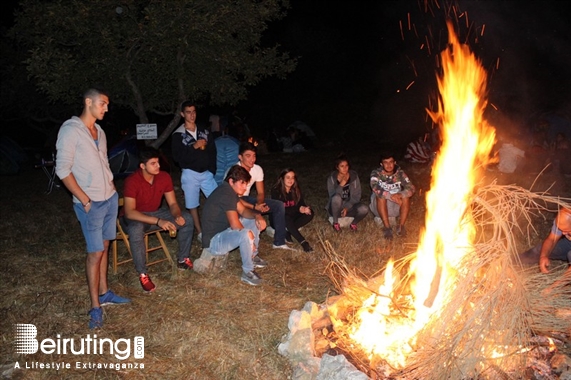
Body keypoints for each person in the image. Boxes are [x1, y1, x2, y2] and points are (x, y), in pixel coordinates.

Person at [55, 88, 130, 329]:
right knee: (94, 252)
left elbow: (102, 163)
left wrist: (111, 187)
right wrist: (84, 199)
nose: (106, 109)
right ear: (88, 102)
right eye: (103, 104)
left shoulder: (100, 131)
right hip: (90, 203)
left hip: (109, 197)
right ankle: (95, 306)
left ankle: (105, 292)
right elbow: (62, 169)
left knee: (106, 246)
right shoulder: (70, 130)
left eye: (107, 105)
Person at [121, 147, 194, 292]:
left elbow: (173, 204)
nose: (158, 166)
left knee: (187, 218)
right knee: (136, 229)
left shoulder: (164, 177)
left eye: (158, 162)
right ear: (142, 166)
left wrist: (177, 215)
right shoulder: (132, 181)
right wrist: (158, 221)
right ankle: (143, 273)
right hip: (136, 217)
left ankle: (182, 259)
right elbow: (129, 212)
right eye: (153, 163)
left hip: (155, 212)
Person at [201, 165, 269, 286]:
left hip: (224, 231)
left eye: (246, 184)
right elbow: (235, 225)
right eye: (242, 183)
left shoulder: (228, 191)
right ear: (231, 181)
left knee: (252, 220)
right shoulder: (225, 193)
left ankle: (252, 256)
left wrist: (257, 216)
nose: (245, 187)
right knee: (244, 234)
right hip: (214, 241)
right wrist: (251, 241)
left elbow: (243, 211)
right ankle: (248, 272)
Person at [172, 100, 218, 242]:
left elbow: (212, 151)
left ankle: (217, 227)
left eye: (194, 112)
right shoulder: (178, 135)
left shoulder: (204, 131)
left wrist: (212, 170)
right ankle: (199, 232)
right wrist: (194, 147)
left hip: (206, 173)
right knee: (192, 204)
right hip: (190, 173)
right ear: (182, 114)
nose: (192, 115)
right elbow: (177, 157)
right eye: (188, 112)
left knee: (217, 199)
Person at [236, 141, 292, 250]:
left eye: (254, 156)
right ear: (240, 157)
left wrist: (260, 203)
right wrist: (255, 209)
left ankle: (279, 242)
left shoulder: (257, 169)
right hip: (235, 202)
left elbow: (260, 192)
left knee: (279, 205)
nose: (252, 159)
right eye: (248, 156)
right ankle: (250, 248)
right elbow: (232, 198)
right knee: (249, 217)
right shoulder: (233, 171)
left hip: (247, 198)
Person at [370, 151, 415, 240]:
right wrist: (391, 196)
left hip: (395, 207)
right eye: (385, 162)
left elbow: (411, 188)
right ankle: (387, 228)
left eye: (391, 162)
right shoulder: (376, 173)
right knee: (380, 195)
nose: (388, 165)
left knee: (405, 196)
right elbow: (374, 187)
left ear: (395, 163)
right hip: (379, 208)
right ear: (381, 164)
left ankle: (401, 227)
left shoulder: (400, 173)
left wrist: (400, 194)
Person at [271, 168, 314, 252]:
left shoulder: (296, 189)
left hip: (292, 216)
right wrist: (298, 209)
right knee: (286, 217)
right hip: (279, 219)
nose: (291, 180)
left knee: (310, 213)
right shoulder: (276, 190)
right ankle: (303, 242)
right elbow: (280, 209)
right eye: (288, 177)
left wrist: (304, 208)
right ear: (282, 178)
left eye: (292, 177)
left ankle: (289, 231)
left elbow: (301, 203)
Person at [520, 207, 571, 274]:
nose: (563, 233)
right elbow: (552, 239)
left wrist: (556, 284)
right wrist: (543, 256)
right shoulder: (561, 221)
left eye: (566, 231)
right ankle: (510, 261)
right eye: (561, 229)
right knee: (540, 250)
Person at [326, 154, 369, 232]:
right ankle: (335, 223)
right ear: (337, 167)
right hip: (336, 209)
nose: (345, 168)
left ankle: (353, 224)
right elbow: (333, 196)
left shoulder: (354, 177)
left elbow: (357, 196)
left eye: (346, 166)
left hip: (350, 207)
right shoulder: (331, 179)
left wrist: (347, 207)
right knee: (336, 198)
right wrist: (342, 184)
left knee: (364, 209)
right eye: (342, 166)